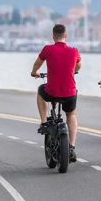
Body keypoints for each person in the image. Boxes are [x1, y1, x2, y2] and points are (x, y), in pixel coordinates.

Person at [31, 24, 82, 162]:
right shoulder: (74, 51)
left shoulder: (48, 49)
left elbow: (37, 64)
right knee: (71, 115)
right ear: (66, 36)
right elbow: (78, 66)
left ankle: (43, 123)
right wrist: (73, 70)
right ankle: (71, 147)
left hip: (51, 92)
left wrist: (34, 73)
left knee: (41, 91)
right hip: (70, 93)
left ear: (53, 36)